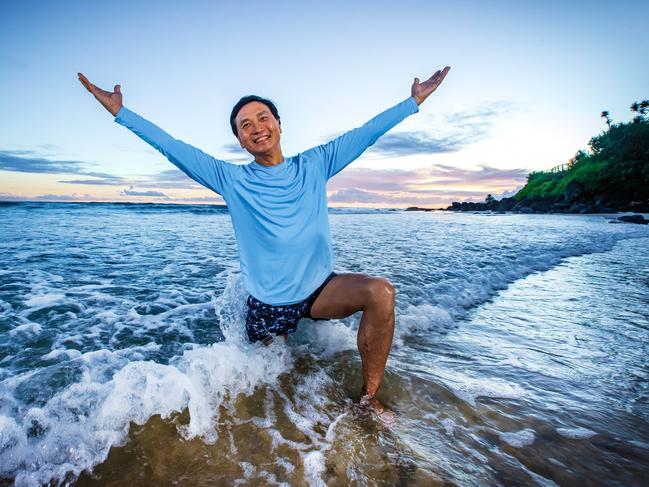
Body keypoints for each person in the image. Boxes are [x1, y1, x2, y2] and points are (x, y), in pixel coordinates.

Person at [78, 67, 450, 414]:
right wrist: (121, 113)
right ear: (240, 141)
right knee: (271, 387)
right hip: (269, 307)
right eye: (244, 126)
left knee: (381, 292)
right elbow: (172, 146)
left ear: (279, 125)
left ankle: (369, 399)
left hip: (320, 291)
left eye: (262, 118)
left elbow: (366, 133)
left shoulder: (315, 164)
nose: (256, 128)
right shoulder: (231, 180)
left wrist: (412, 102)